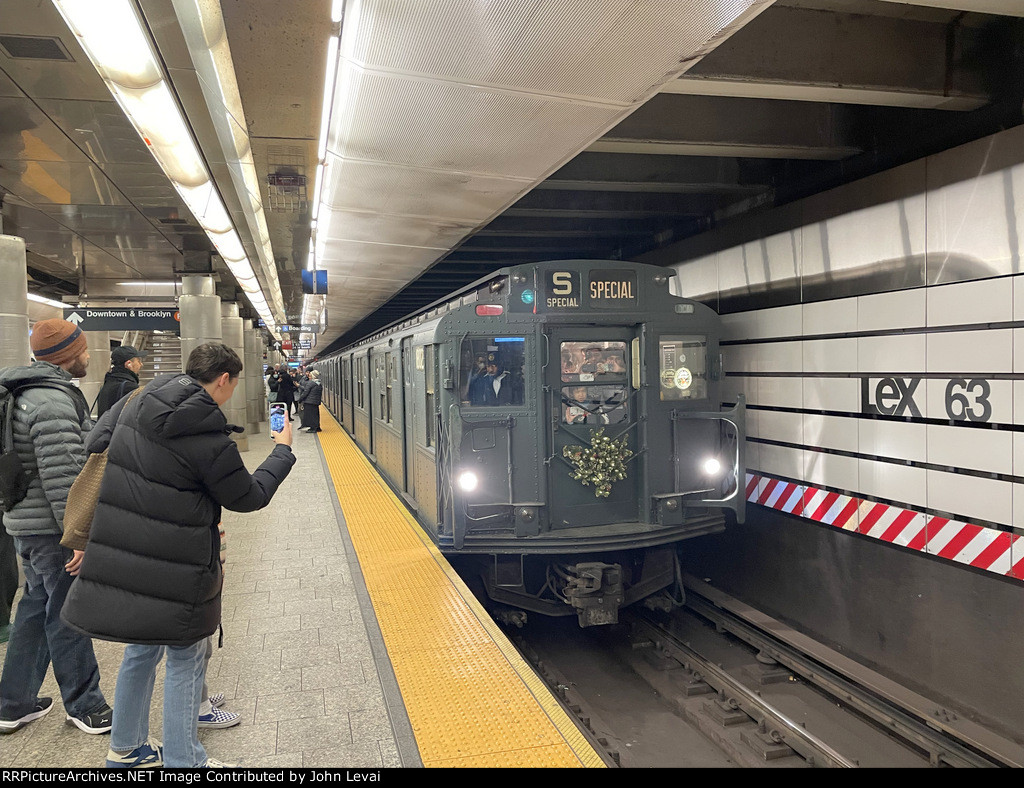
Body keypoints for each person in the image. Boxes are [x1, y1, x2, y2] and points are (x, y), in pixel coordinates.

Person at [61, 342, 296, 768]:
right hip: (178, 561)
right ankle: (185, 761)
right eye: (234, 383)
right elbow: (248, 496)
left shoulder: (138, 398)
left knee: (140, 651)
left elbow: (97, 440)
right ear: (223, 379)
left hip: (127, 550)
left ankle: (126, 749)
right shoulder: (205, 431)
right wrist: (282, 451)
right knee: (186, 657)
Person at [0, 318, 113, 735]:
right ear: (70, 355)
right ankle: (86, 705)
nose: (89, 355)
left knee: (34, 608)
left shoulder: (21, 392)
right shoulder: (51, 403)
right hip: (52, 531)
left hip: (25, 526)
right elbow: (66, 477)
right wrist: (79, 536)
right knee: (68, 612)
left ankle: (14, 703)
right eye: (84, 350)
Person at [95, 345, 144, 417]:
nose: (141, 364)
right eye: (138, 361)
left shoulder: (107, 383)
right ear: (129, 364)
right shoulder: (129, 387)